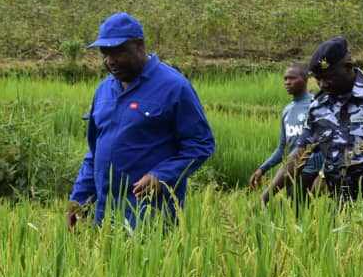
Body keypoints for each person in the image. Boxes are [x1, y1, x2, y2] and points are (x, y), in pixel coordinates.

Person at [67, 12, 216, 229]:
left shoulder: (174, 87)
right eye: (104, 54)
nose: (109, 61)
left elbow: (201, 144)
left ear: (139, 45)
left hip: (151, 216)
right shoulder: (103, 90)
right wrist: (79, 198)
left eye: (117, 52)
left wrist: (161, 176)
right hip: (105, 215)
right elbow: (94, 151)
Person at [263, 37, 363, 205]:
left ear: (348, 67)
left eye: (329, 77)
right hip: (339, 203)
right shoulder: (319, 106)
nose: (323, 84)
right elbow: (299, 153)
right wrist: (266, 196)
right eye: (318, 79)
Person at [249, 63, 324, 200]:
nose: (287, 82)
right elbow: (283, 148)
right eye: (285, 79)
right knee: (294, 215)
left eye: (292, 78)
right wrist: (262, 169)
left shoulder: (316, 105)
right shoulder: (287, 111)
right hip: (292, 173)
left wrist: (323, 174)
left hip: (314, 174)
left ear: (305, 80)